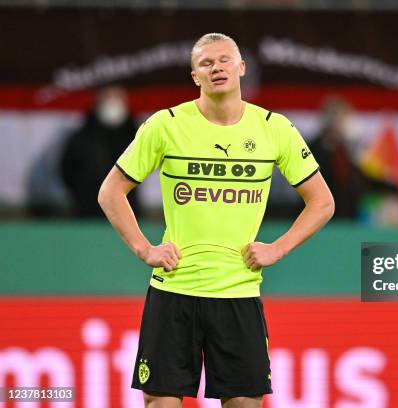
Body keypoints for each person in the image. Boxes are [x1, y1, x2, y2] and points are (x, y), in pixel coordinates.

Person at [97, 33, 334, 407]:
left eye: (224, 60)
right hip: (174, 292)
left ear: (241, 68)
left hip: (238, 294)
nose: (216, 68)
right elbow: (110, 191)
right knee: (160, 403)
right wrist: (144, 249)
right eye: (206, 63)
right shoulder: (166, 125)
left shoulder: (274, 128)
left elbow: (322, 202)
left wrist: (279, 248)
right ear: (195, 76)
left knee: (243, 403)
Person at [61, 86, 142, 218]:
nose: (113, 103)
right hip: (87, 213)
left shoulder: (137, 137)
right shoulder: (81, 138)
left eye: (117, 98)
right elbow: (67, 171)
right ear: (98, 102)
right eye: (108, 98)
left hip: (128, 214)